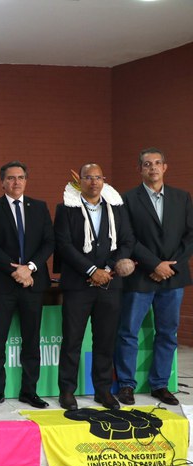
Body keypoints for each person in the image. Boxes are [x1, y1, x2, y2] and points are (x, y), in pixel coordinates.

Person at [115, 148, 193, 406]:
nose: (153, 168)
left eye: (157, 163)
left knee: (168, 333)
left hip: (173, 276)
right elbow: (128, 238)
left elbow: (190, 236)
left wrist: (169, 266)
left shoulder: (182, 197)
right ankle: (126, 385)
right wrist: (154, 264)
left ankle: (160, 384)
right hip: (140, 276)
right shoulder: (127, 199)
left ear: (165, 167)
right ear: (140, 169)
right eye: (147, 164)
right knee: (129, 332)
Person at [54, 163, 134, 411]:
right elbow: (63, 244)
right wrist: (91, 270)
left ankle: (103, 391)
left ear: (103, 180)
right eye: (88, 177)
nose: (93, 182)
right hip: (78, 285)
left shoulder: (116, 208)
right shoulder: (66, 208)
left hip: (110, 284)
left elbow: (127, 241)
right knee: (72, 341)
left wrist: (107, 270)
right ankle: (67, 391)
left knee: (105, 341)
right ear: (80, 181)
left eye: (98, 177)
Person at [0, 161, 54, 409]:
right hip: (2, 285)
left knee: (31, 342)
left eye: (20, 177)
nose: (16, 182)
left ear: (26, 180)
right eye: (11, 178)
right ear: (2, 182)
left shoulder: (39, 207)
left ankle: (29, 392)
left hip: (32, 283)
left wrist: (29, 268)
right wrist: (16, 271)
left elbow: (49, 242)